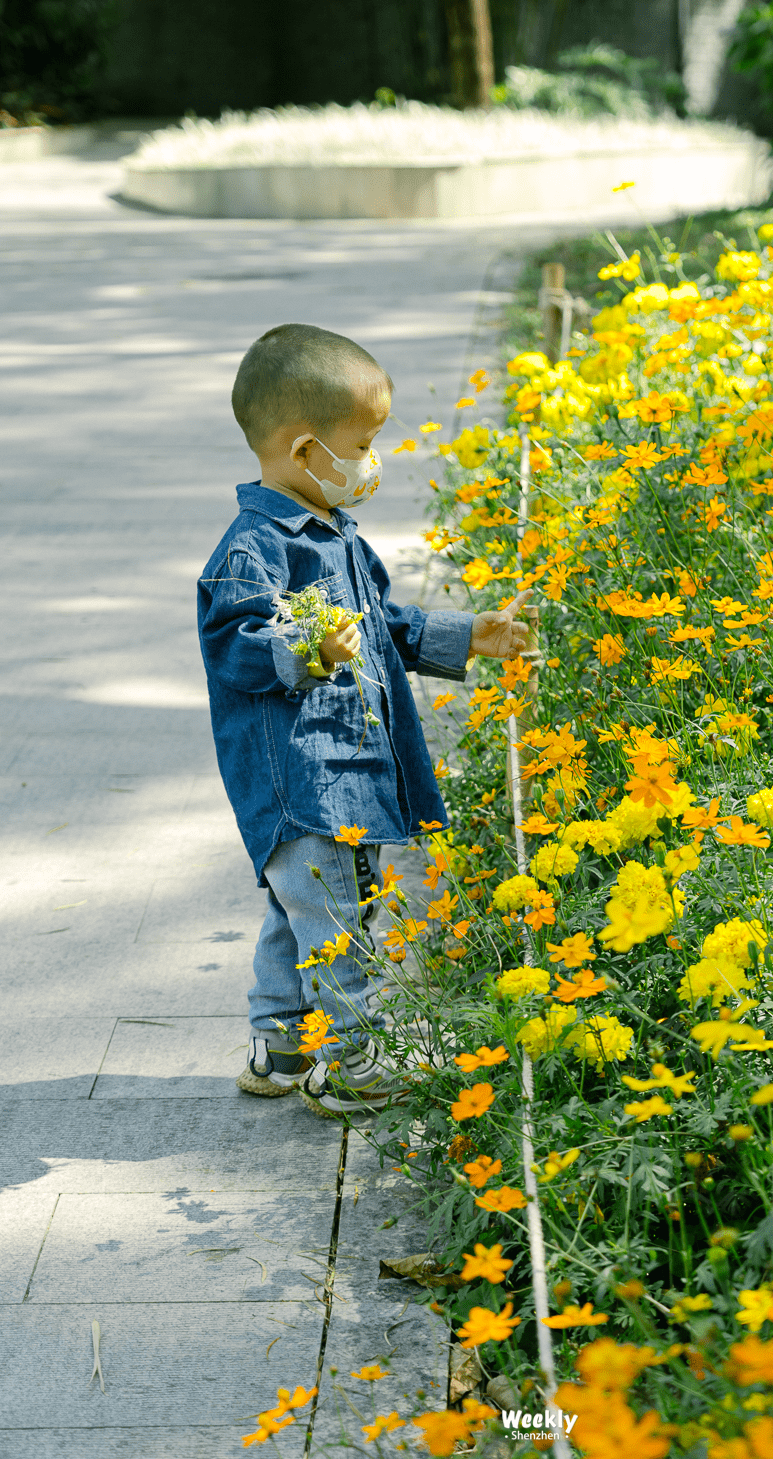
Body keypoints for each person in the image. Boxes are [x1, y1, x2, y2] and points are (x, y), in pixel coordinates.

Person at [197, 323, 529, 1118]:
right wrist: (304, 648)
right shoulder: (253, 549)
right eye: (364, 443)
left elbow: (379, 625)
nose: (374, 461)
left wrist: (464, 634)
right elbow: (234, 643)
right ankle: (346, 1061)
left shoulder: (337, 533)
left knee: (305, 906)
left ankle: (281, 1042)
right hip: (300, 775)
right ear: (306, 451)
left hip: (350, 767)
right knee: (334, 915)